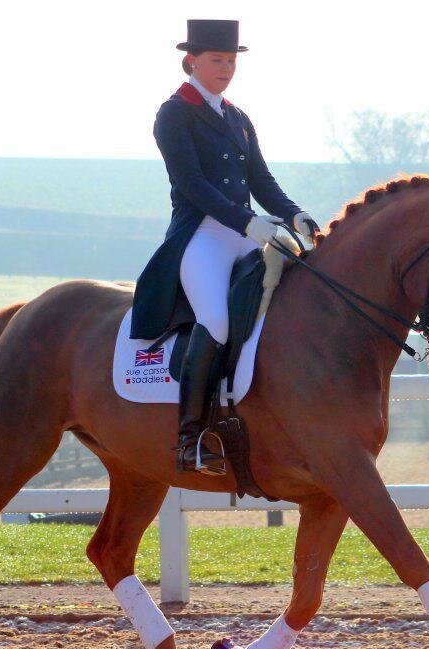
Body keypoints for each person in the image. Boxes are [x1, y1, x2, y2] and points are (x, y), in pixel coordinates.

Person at [130, 19, 319, 474]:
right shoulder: (173, 113)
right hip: (203, 237)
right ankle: (190, 439)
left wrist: (294, 214)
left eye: (231, 60)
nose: (227, 68)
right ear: (192, 60)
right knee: (215, 319)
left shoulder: (237, 118)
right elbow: (191, 183)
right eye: (218, 60)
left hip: (248, 233)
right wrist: (246, 221)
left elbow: (261, 181)